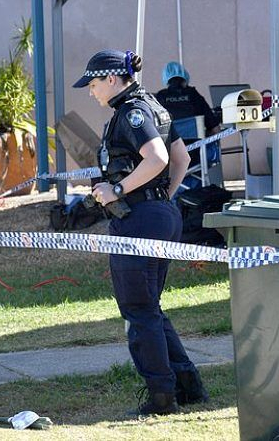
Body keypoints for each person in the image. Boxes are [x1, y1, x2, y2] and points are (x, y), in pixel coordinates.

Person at [73, 50, 208, 415]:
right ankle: (188, 384)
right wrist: (163, 196)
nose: (91, 92)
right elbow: (183, 160)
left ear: (113, 79)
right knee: (149, 307)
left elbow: (159, 159)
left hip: (139, 219)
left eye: (94, 84)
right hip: (160, 214)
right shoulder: (156, 106)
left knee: (138, 309)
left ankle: (162, 397)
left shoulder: (132, 113)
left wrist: (119, 190)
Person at [155, 61, 220, 187]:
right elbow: (216, 129)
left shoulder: (160, 98)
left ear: (166, 79)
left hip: (169, 158)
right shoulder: (194, 95)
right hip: (196, 157)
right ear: (185, 77)